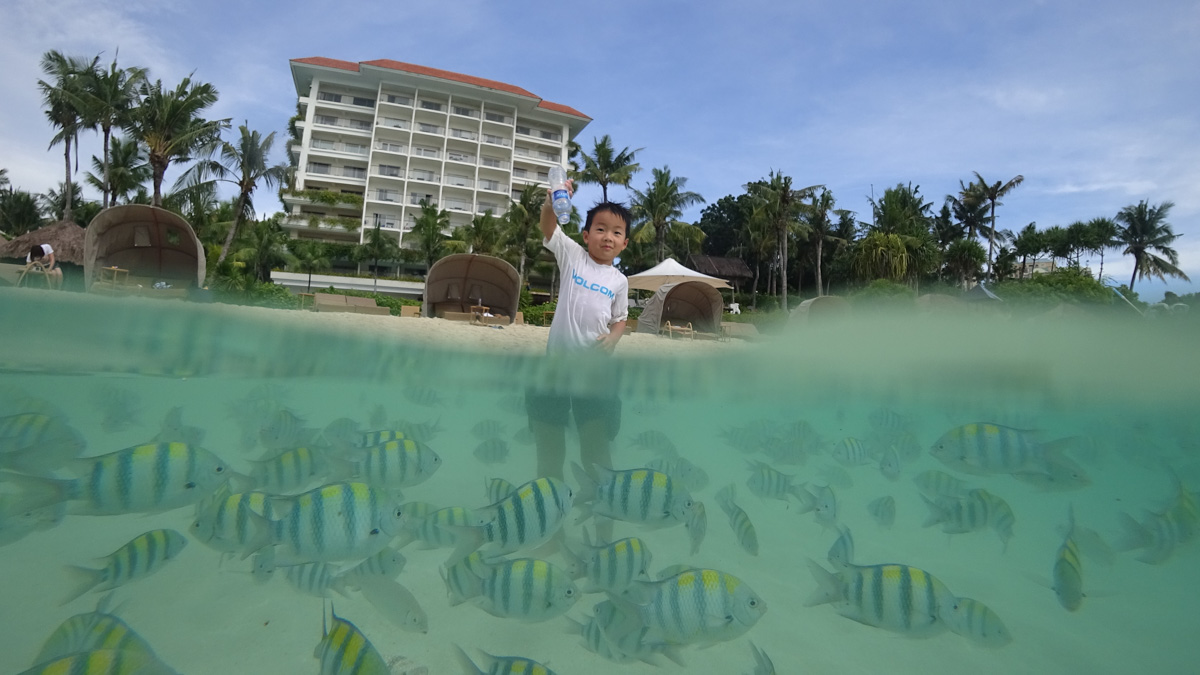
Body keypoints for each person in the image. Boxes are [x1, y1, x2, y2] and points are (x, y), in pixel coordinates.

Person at [525, 179, 630, 497]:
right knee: (549, 453)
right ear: (586, 236)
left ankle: (602, 532)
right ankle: (550, 534)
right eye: (600, 229)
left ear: (625, 243)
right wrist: (551, 202)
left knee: (596, 455)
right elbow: (548, 227)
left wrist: (613, 339)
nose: (607, 236)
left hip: (594, 375)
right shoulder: (573, 257)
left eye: (616, 232)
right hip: (555, 370)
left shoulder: (619, 281)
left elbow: (621, 319)